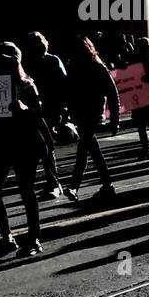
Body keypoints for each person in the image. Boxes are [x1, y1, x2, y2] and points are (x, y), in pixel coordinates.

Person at [0, 43, 46, 258]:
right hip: (2, 143)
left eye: (6, 62)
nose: (1, 66)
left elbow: (39, 113)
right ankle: (7, 237)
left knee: (26, 190)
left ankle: (34, 238)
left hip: (25, 142)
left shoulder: (27, 84)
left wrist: (25, 108)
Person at [63, 36, 120, 203]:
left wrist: (115, 118)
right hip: (82, 114)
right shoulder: (75, 68)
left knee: (84, 148)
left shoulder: (97, 68)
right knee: (92, 150)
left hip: (92, 113)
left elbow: (112, 93)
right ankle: (107, 185)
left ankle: (74, 185)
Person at [24, 33, 66, 197]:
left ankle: (53, 183)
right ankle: (52, 182)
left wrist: (62, 111)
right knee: (44, 148)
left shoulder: (49, 61)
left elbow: (62, 86)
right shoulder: (47, 61)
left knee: (46, 148)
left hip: (48, 108)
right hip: (40, 108)